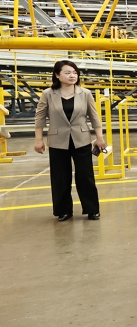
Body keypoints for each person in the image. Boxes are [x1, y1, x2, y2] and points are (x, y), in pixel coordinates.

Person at [34, 60, 104, 222]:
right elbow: (40, 117)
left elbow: (94, 117)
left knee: (85, 175)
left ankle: (92, 209)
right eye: (67, 73)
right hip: (57, 140)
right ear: (57, 75)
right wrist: (39, 140)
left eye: (74, 72)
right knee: (60, 177)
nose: (72, 75)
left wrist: (99, 138)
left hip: (81, 139)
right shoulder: (48, 94)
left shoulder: (85, 93)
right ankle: (63, 210)